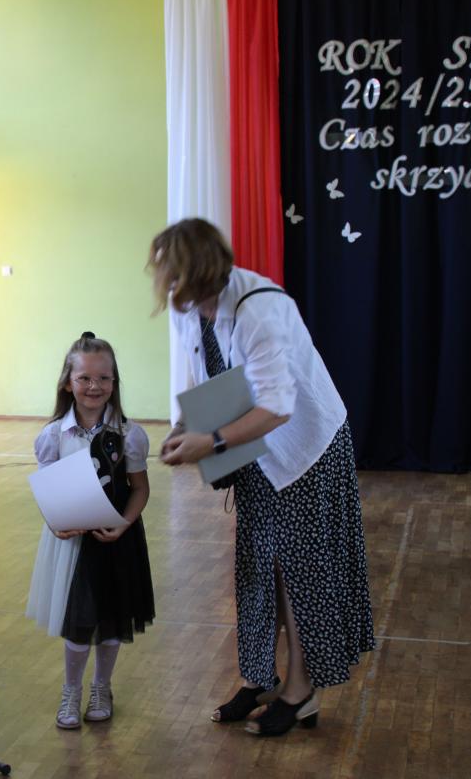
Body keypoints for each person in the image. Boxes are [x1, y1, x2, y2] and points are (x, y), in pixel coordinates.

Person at [149, 218, 375, 736]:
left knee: (298, 569)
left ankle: (300, 692)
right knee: (258, 564)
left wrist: (212, 442)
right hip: (249, 444)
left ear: (194, 271)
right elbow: (207, 375)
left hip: (305, 449)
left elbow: (277, 407)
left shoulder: (260, 309)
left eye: (169, 271)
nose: (162, 281)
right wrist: (185, 427)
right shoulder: (190, 309)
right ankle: (259, 677)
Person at [25, 332, 154, 729]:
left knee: (112, 619)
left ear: (115, 382)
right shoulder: (53, 436)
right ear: (68, 382)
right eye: (84, 378)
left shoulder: (130, 435)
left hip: (117, 541)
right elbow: (48, 490)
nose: (94, 386)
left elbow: (140, 489)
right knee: (79, 623)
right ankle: (71, 689)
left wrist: (124, 523)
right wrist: (55, 521)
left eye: (103, 378)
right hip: (74, 545)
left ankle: (102, 686)